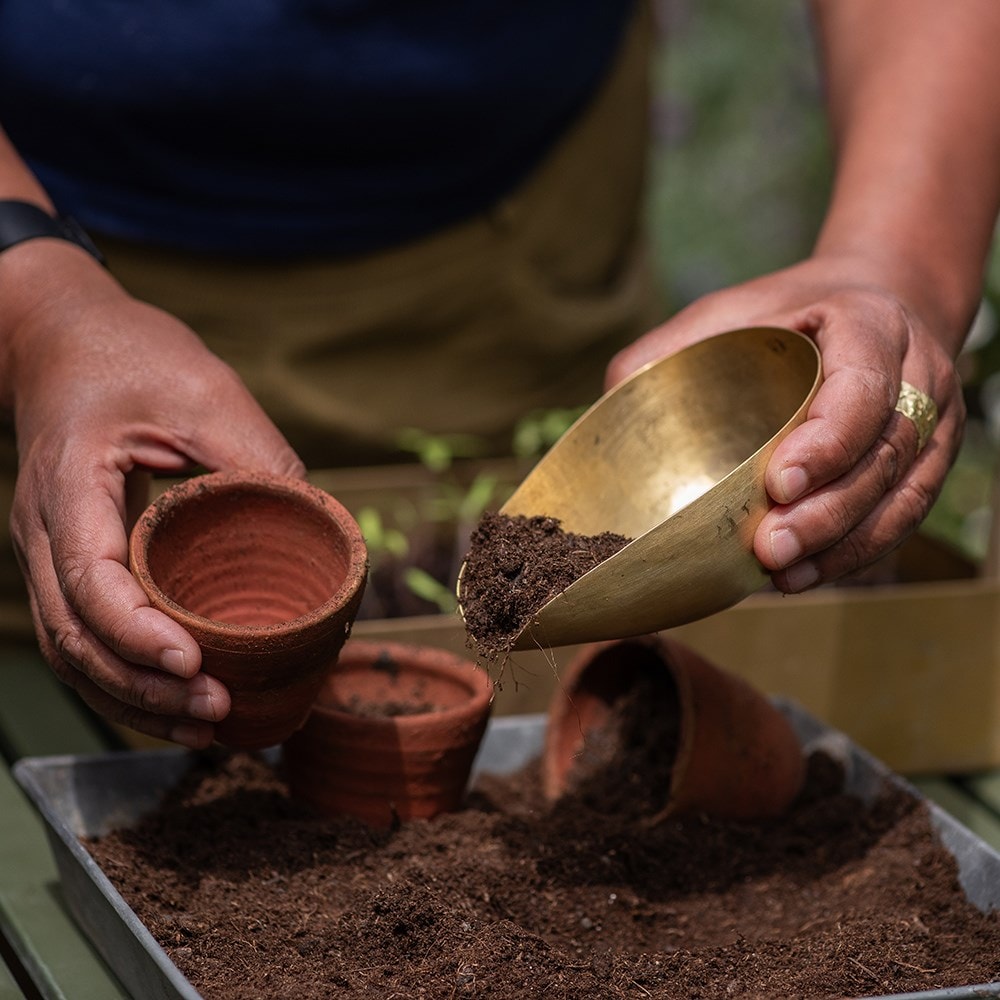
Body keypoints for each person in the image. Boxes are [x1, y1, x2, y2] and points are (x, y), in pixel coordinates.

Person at [1, 0, 999, 749]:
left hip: (509, 221)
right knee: (85, 640)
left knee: (537, 649)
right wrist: (38, 307)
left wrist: (896, 257)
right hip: (45, 226)